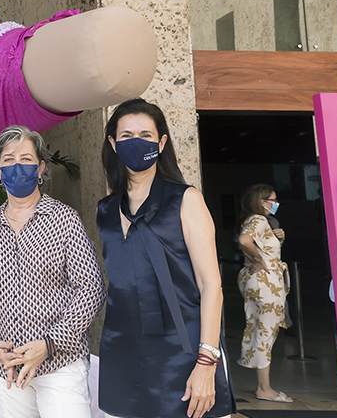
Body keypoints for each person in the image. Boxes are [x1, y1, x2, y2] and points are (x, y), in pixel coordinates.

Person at [96, 99, 236, 418]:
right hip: (122, 350)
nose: (137, 142)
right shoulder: (104, 210)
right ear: (113, 143)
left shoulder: (186, 200)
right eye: (127, 135)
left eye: (146, 135)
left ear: (161, 143)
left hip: (184, 348)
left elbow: (210, 284)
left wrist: (206, 361)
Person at [0, 125, 104, 417]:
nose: (18, 167)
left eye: (26, 159)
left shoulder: (64, 219)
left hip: (59, 364)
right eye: (9, 160)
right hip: (7, 368)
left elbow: (90, 289)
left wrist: (50, 343)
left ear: (41, 168)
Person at [235, 184, 292, 403]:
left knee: (261, 329)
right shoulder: (258, 220)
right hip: (265, 282)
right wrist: (258, 260)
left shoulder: (256, 221)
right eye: (272, 199)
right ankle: (264, 388)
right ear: (260, 201)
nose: (275, 203)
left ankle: (263, 385)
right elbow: (244, 241)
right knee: (265, 331)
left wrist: (279, 240)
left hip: (264, 281)